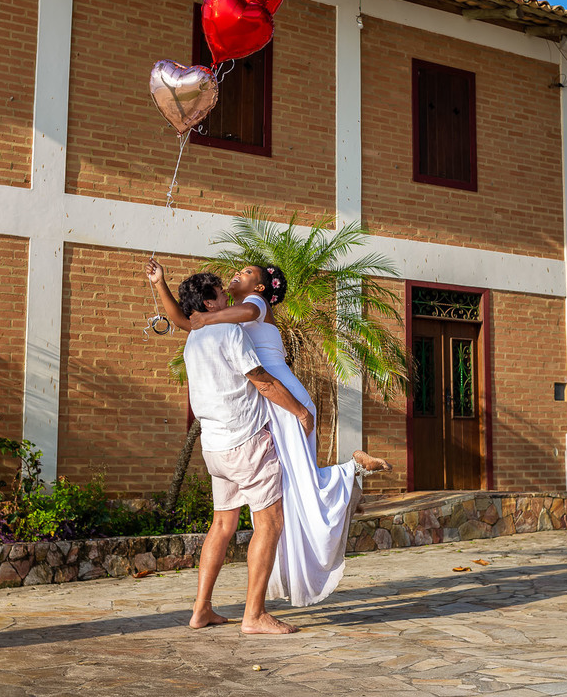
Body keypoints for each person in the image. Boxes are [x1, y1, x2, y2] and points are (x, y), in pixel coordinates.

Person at [146, 259, 391, 607]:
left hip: (283, 399)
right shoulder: (221, 322)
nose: (237, 274)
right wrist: (160, 283)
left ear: (260, 288)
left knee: (299, 480)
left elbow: (217, 320)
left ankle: (351, 469)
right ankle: (350, 470)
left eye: (247, 273)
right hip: (271, 405)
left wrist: (206, 318)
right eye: (237, 272)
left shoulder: (254, 304)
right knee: (291, 484)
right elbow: (186, 321)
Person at [176, 271, 313, 634]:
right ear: (209, 303)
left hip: (214, 447)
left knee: (222, 525)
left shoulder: (193, 339)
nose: (227, 297)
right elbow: (262, 382)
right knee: (270, 522)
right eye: (221, 294)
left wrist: (158, 284)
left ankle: (201, 610)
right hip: (245, 443)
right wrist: (300, 412)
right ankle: (254, 615)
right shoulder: (229, 331)